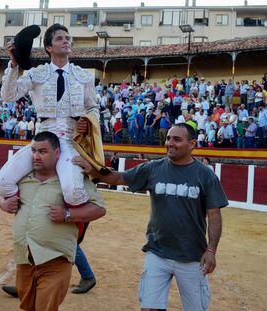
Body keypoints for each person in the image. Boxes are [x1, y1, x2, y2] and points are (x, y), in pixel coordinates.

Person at [73, 123, 228, 311]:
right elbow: (117, 178)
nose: (170, 143)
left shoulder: (205, 175)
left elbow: (214, 216)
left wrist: (211, 251)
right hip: (157, 252)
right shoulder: (153, 168)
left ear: (192, 143)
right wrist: (92, 168)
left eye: (177, 139)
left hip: (192, 256)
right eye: (168, 138)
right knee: (149, 308)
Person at [0, 131, 105, 311]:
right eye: (34, 151)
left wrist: (68, 215)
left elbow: (99, 208)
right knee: (28, 306)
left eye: (43, 151)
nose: (36, 156)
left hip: (55, 259)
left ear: (57, 153)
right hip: (24, 257)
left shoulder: (72, 180)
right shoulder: (22, 178)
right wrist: (3, 203)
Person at [0, 23, 100, 209]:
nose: (66, 41)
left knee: (73, 193)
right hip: (42, 140)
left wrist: (87, 120)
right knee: (3, 184)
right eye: (60, 38)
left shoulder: (83, 76)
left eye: (68, 38)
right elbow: (8, 96)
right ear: (49, 48)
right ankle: (31, 210)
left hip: (70, 140)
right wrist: (14, 64)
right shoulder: (37, 74)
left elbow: (93, 107)